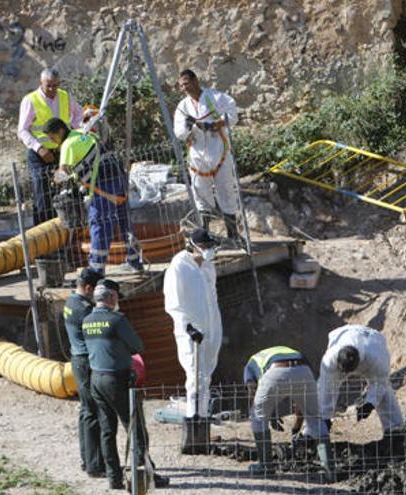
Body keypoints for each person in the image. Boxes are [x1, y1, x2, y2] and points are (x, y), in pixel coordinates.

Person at [83, 279, 168, 490]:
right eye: (116, 298)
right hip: (116, 379)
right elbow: (137, 345)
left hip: (96, 379)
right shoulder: (117, 320)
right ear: (111, 297)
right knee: (135, 427)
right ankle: (146, 476)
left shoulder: (86, 321)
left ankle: (114, 478)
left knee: (107, 430)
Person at [44, 117, 143, 274]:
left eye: (52, 137)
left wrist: (55, 177)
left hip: (102, 183)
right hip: (118, 177)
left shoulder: (68, 145)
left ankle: (96, 269)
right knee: (125, 221)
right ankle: (135, 261)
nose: (52, 141)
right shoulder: (83, 134)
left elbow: (62, 173)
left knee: (100, 225)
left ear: (60, 131)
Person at [172, 69, 240, 242]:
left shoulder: (215, 98)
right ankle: (205, 235)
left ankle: (233, 234)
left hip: (220, 152)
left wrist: (215, 124)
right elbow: (178, 132)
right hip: (197, 156)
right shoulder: (183, 106)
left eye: (186, 83)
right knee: (201, 193)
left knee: (226, 191)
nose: (184, 88)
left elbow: (232, 115)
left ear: (195, 81)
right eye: (181, 85)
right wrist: (188, 127)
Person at [244, 346, 331, 477]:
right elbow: (300, 400)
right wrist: (296, 427)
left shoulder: (250, 364)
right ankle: (329, 469)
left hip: (276, 372)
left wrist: (257, 412)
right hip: (304, 370)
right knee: (314, 419)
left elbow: (252, 389)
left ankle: (265, 466)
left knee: (258, 418)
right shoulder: (290, 351)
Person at [163, 228, 222, 419]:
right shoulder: (178, 267)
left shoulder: (208, 267)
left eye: (210, 246)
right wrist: (188, 327)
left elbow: (211, 299)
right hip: (190, 332)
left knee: (206, 375)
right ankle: (194, 418)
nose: (208, 250)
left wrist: (215, 327)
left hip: (211, 328)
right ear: (193, 246)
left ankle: (203, 416)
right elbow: (173, 302)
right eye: (205, 246)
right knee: (195, 374)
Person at [318, 324, 404, 447]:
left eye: (349, 371)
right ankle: (315, 430)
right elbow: (326, 387)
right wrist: (325, 416)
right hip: (344, 333)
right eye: (343, 371)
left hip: (372, 340)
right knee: (325, 385)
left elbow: (380, 383)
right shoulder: (330, 359)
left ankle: (395, 430)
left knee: (385, 390)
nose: (347, 375)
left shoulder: (377, 359)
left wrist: (369, 403)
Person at [17, 68, 83, 225]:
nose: (53, 89)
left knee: (66, 190)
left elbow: (78, 114)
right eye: (49, 86)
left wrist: (75, 132)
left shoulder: (65, 97)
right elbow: (22, 130)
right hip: (40, 156)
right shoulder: (30, 100)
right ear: (41, 83)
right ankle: (42, 236)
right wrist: (39, 148)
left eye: (55, 85)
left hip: (62, 153)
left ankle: (65, 231)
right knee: (42, 196)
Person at [63, 268, 105, 478]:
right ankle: (95, 465)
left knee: (85, 411)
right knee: (93, 413)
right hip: (86, 362)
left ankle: (86, 459)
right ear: (88, 288)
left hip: (77, 360)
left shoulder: (70, 302)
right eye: (96, 291)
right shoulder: (86, 310)